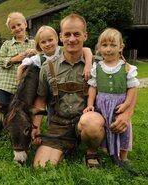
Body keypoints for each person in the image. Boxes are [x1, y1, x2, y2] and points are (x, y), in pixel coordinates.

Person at [31, 13, 138, 168]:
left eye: (77, 34)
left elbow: (131, 87)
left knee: (90, 122)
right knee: (42, 166)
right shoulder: (48, 68)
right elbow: (40, 100)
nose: (72, 39)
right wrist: (36, 126)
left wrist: (127, 114)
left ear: (85, 36)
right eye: (67, 34)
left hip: (89, 119)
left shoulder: (101, 65)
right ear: (61, 37)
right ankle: (65, 145)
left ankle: (91, 150)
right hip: (60, 123)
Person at [84, 28, 140, 161]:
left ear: (120, 47)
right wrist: (90, 104)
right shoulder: (97, 67)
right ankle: (105, 151)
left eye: (113, 45)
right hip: (102, 104)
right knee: (105, 127)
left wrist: (126, 104)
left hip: (119, 104)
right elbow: (92, 87)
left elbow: (132, 88)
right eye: (104, 45)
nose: (108, 49)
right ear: (99, 47)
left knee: (122, 128)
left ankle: (123, 156)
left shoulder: (126, 68)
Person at [17, 25, 92, 82]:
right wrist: (19, 83)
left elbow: (86, 50)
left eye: (50, 40)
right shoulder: (39, 58)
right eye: (43, 42)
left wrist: (88, 65)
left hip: (68, 81)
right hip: (50, 88)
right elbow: (21, 67)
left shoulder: (63, 50)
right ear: (39, 44)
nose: (47, 44)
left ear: (57, 39)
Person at [0, 12, 36, 111]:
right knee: (4, 109)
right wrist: (15, 59)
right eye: (13, 27)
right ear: (11, 31)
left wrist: (35, 52)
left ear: (25, 25)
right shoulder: (7, 44)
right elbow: (0, 60)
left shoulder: (33, 43)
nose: (17, 28)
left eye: (19, 25)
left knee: (23, 110)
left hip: (25, 84)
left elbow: (43, 56)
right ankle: (4, 125)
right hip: (6, 85)